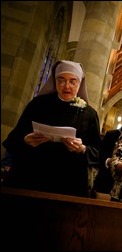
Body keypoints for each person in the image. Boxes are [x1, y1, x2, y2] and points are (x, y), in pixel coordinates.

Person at [2, 60, 101, 197]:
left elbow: (98, 152)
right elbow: (12, 140)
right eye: (61, 80)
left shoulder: (89, 114)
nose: (67, 86)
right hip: (31, 176)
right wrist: (25, 140)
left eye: (73, 81)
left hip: (67, 183)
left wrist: (82, 148)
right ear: (55, 81)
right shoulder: (37, 105)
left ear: (79, 84)